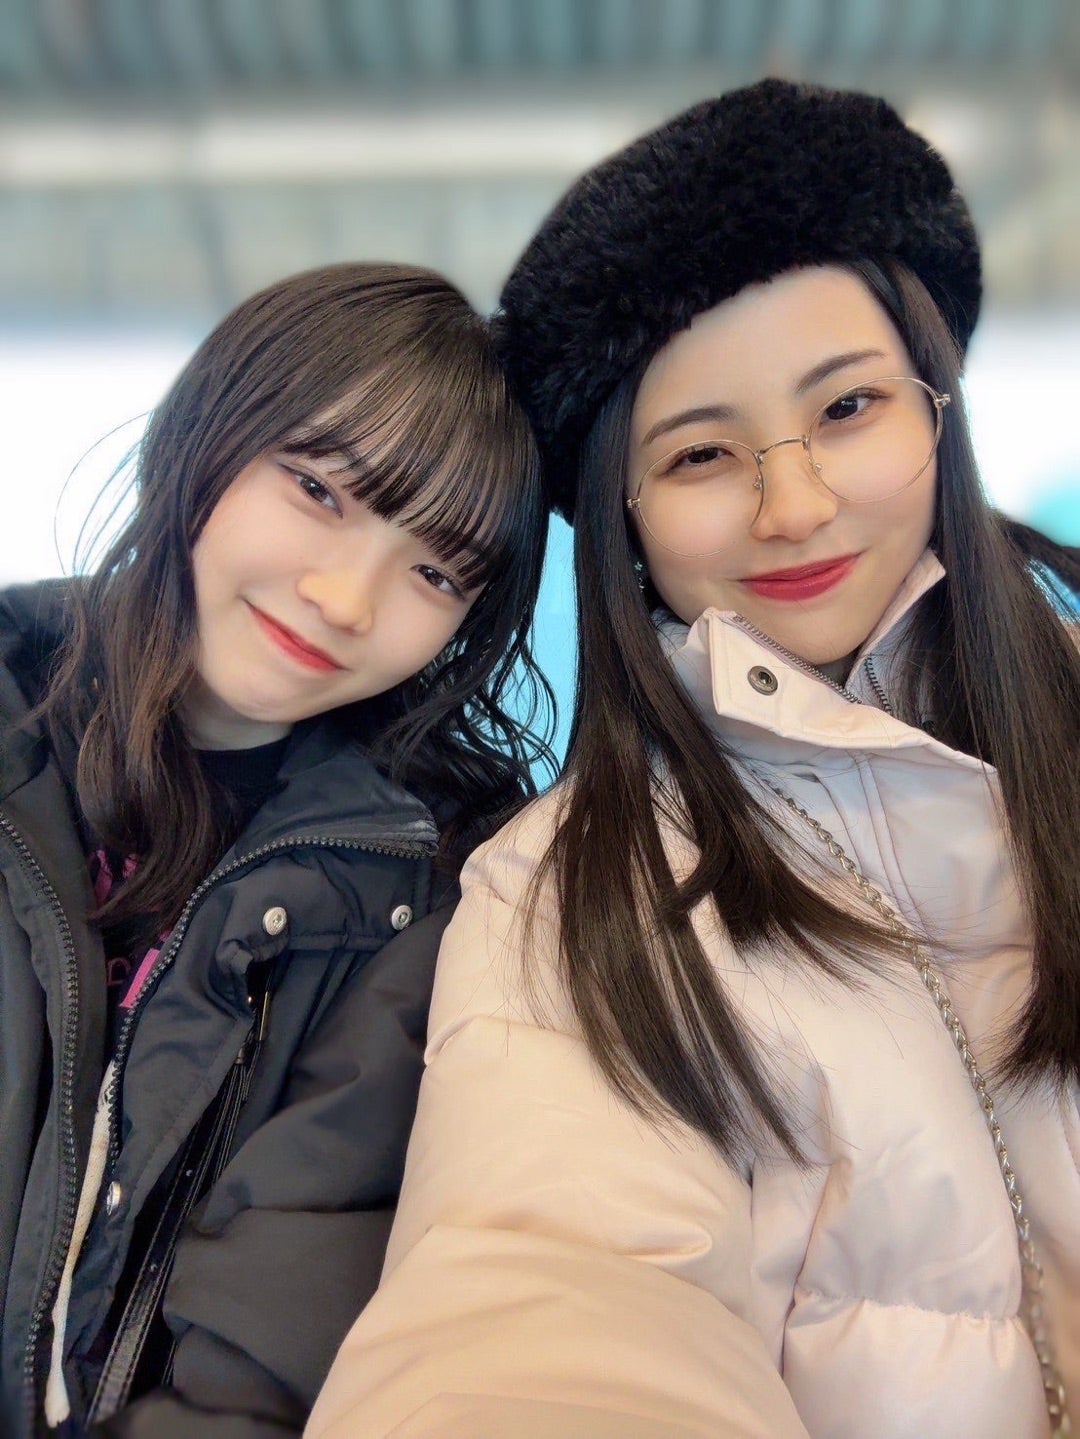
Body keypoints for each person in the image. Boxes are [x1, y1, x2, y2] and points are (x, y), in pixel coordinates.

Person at [307, 81, 1080, 1439]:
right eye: (703, 453)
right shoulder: (564, 894)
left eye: (848, 406)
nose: (795, 504)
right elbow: (542, 1297)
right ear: (624, 514)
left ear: (936, 407)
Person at [0, 260, 552, 1438]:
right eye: (317, 489)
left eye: (435, 569)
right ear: (207, 430)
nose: (346, 598)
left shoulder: (436, 886)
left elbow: (284, 1311)